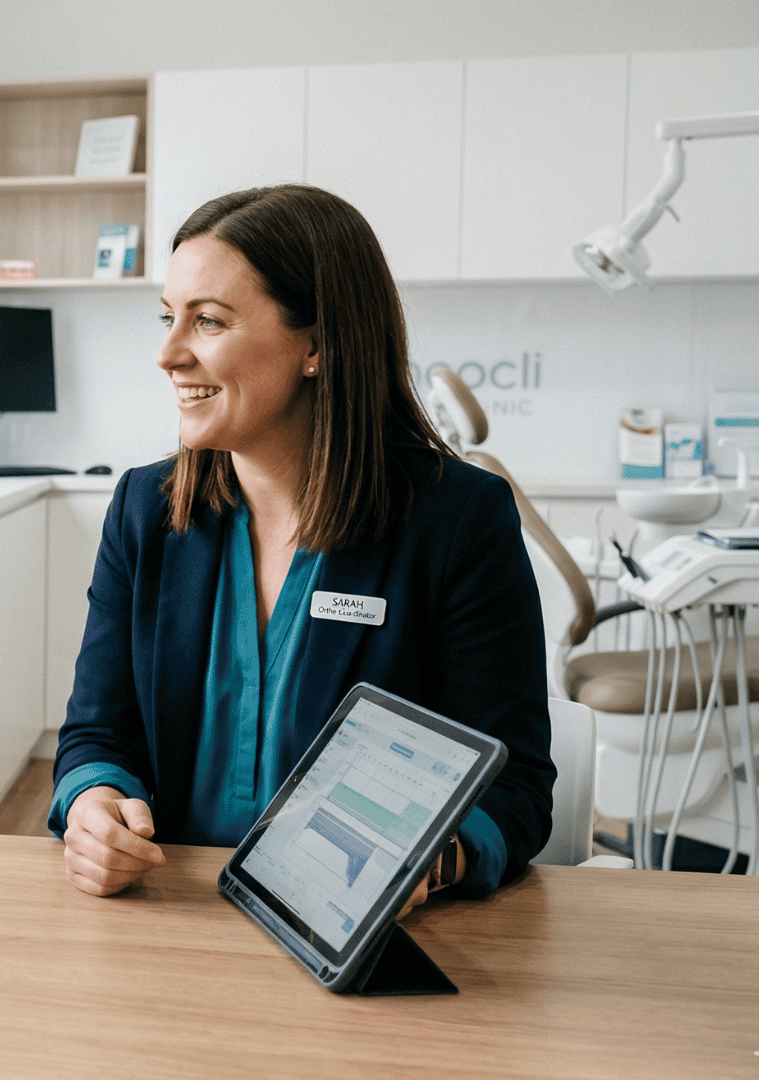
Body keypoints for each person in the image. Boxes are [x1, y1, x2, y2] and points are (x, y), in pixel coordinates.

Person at [51, 185, 555, 913]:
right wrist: (95, 804)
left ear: (316, 345)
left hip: (351, 932)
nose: (167, 354)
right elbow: (98, 731)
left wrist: (428, 864)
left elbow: (514, 785)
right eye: (168, 319)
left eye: (208, 321)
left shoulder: (457, 521)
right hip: (172, 915)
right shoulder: (145, 511)